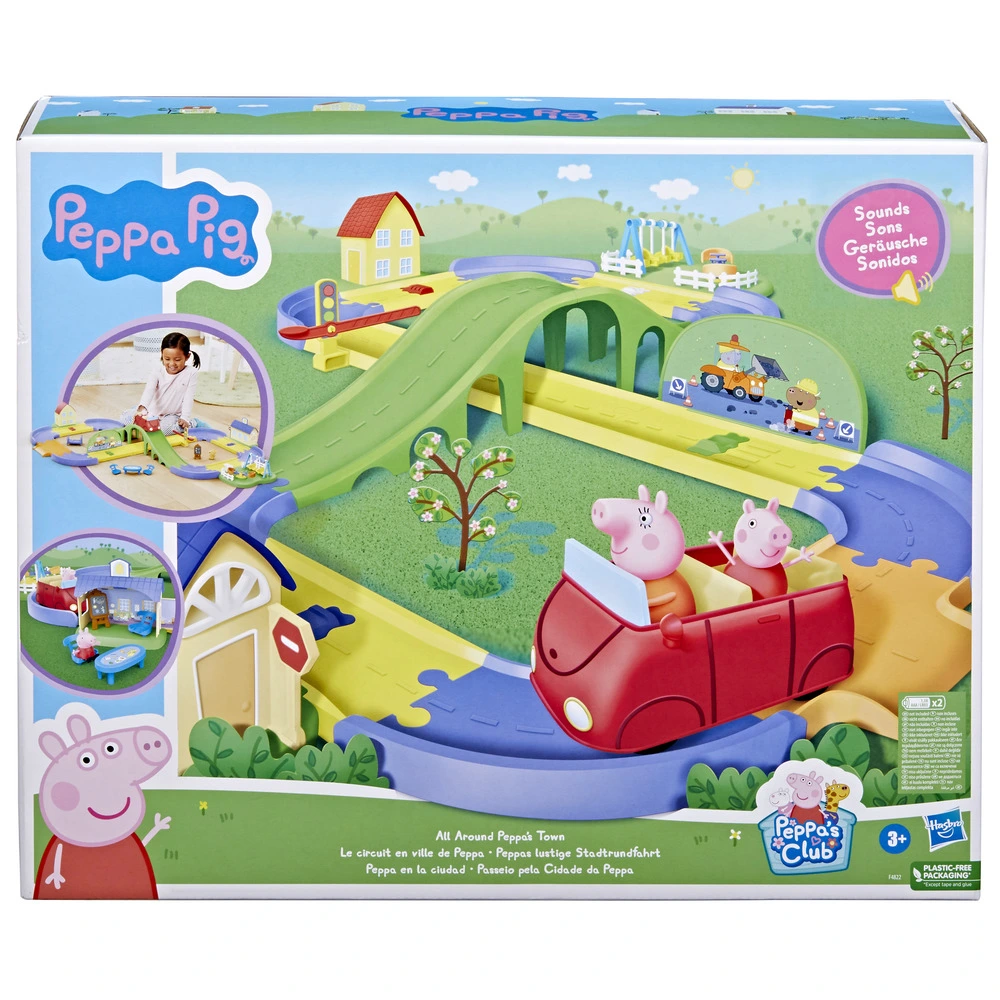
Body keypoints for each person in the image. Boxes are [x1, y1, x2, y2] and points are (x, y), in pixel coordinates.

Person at [122, 332, 202, 434]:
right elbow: (149, 390)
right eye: (167, 359)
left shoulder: (191, 373)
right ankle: (135, 409)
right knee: (125, 419)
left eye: (177, 360)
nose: (172, 364)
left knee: (164, 430)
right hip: (153, 412)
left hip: (172, 415)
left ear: (187, 356)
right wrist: (143, 407)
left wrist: (185, 418)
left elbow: (188, 398)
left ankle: (192, 423)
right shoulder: (157, 371)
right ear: (162, 355)